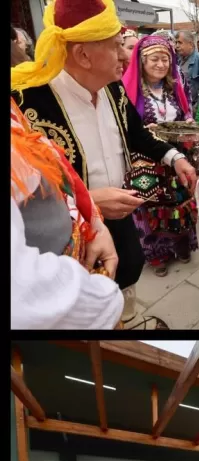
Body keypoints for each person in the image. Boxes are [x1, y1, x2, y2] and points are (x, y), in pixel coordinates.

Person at [12, 0, 197, 327]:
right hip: (68, 244)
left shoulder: (113, 88)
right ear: (83, 55)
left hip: (121, 216)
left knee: (127, 277)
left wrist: (175, 157)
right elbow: (23, 201)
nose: (127, 55)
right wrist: (90, 202)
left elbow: (137, 133)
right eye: (116, 47)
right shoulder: (26, 102)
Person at [10, 97, 124, 328]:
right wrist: (104, 299)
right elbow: (21, 292)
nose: (125, 59)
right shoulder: (35, 93)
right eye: (117, 56)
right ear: (83, 58)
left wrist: (95, 223)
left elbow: (49, 159)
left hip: (84, 254)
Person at [120, 34, 199, 277]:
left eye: (165, 59)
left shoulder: (174, 88)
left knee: (180, 203)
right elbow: (125, 129)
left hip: (175, 158)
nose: (161, 64)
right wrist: (146, 131)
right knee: (151, 208)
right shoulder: (128, 91)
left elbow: (183, 114)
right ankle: (157, 255)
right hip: (147, 162)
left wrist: (188, 123)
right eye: (154, 59)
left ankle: (181, 246)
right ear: (142, 62)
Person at [174, 31, 199, 110]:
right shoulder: (177, 59)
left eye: (180, 43)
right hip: (179, 108)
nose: (177, 46)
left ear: (191, 44)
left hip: (194, 108)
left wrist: (196, 108)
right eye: (176, 42)